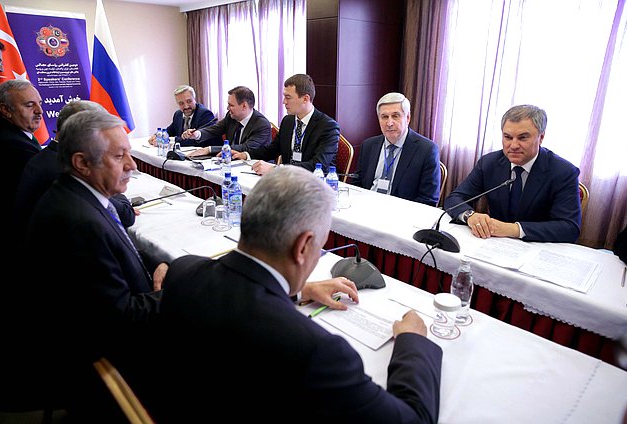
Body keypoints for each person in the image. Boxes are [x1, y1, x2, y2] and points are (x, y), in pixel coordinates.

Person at [143, 166, 442, 423]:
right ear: (302, 247)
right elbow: (413, 418)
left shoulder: (183, 271)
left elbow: (236, 300)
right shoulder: (318, 352)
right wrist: (412, 342)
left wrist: (298, 291)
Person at [21, 110, 168, 419]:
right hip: (110, 362)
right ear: (82, 163)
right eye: (120, 156)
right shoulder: (77, 221)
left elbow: (123, 244)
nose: (133, 165)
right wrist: (171, 292)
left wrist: (157, 265)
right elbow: (120, 319)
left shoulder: (77, 195)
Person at [443, 104, 581, 243]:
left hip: (537, 247)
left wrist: (512, 229)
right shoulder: (489, 163)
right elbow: (455, 198)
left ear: (541, 138)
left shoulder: (564, 172)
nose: (513, 145)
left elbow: (569, 228)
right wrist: (470, 216)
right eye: (508, 137)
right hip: (493, 244)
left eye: (522, 138)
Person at [14, 100, 136, 232]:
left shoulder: (45, 157)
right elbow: (125, 214)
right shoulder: (65, 170)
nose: (132, 165)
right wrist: (114, 188)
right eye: (118, 156)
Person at [232, 74, 339, 175]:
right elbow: (272, 150)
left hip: (316, 185)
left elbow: (318, 165)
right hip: (288, 182)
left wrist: (275, 169)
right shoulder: (288, 121)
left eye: (288, 97)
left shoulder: (327, 127)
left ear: (305, 99)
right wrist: (245, 155)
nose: (284, 102)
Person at [354, 92, 441, 206]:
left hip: (402, 215)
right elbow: (357, 184)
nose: (389, 123)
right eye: (384, 117)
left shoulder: (427, 150)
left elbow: (428, 200)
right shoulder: (369, 145)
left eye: (395, 116)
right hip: (367, 208)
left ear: (407, 118)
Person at [0, 80, 42, 259]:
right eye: (30, 105)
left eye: (40, 103)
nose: (39, 111)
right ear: (5, 110)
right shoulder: (13, 145)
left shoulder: (14, 136)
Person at [183, 85, 272, 154]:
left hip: (257, 169)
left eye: (231, 105)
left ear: (244, 106)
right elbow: (215, 129)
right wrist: (196, 134)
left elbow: (245, 148)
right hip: (232, 163)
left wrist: (210, 149)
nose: (227, 108)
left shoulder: (261, 124)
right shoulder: (231, 117)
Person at [147, 84, 215, 146]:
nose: (186, 106)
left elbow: (197, 141)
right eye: (181, 103)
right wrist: (157, 136)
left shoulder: (205, 114)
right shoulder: (178, 114)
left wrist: (169, 141)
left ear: (194, 99)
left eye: (189, 101)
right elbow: (169, 131)